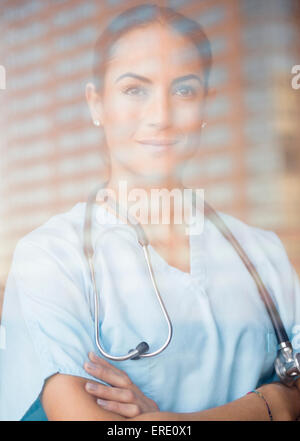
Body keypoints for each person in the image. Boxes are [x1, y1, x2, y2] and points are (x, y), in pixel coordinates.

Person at [0, 4, 300, 421]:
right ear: (96, 104)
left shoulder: (263, 254)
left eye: (184, 90)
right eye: (135, 89)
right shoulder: (52, 256)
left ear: (205, 108)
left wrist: (167, 425)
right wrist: (273, 406)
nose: (160, 117)